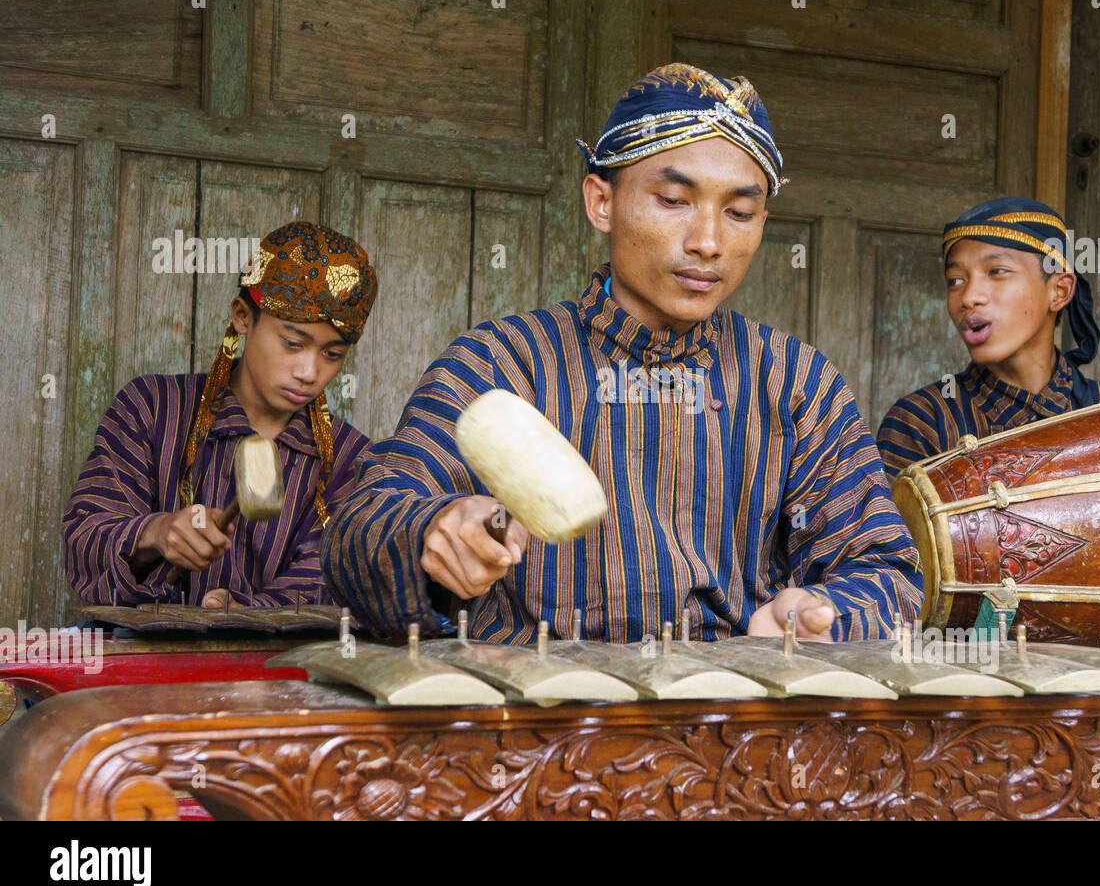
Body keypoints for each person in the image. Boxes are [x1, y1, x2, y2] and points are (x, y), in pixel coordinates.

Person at [323, 62, 922, 644]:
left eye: (739, 213)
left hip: (729, 722)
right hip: (534, 723)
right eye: (672, 201)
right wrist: (431, 530)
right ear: (601, 202)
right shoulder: (500, 365)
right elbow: (359, 531)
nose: (709, 242)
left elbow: (891, 574)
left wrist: (824, 610)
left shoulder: (794, 382)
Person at [63, 221, 376, 608]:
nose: (309, 373)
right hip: (140, 661)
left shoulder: (352, 462)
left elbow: (334, 578)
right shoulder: (151, 408)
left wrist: (249, 613)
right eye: (293, 343)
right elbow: (84, 538)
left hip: (274, 666)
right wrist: (157, 532)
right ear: (243, 316)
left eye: (332, 354)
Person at [876, 197, 1100, 479]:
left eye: (997, 272)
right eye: (955, 281)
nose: (969, 297)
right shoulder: (923, 423)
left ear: (1059, 291)